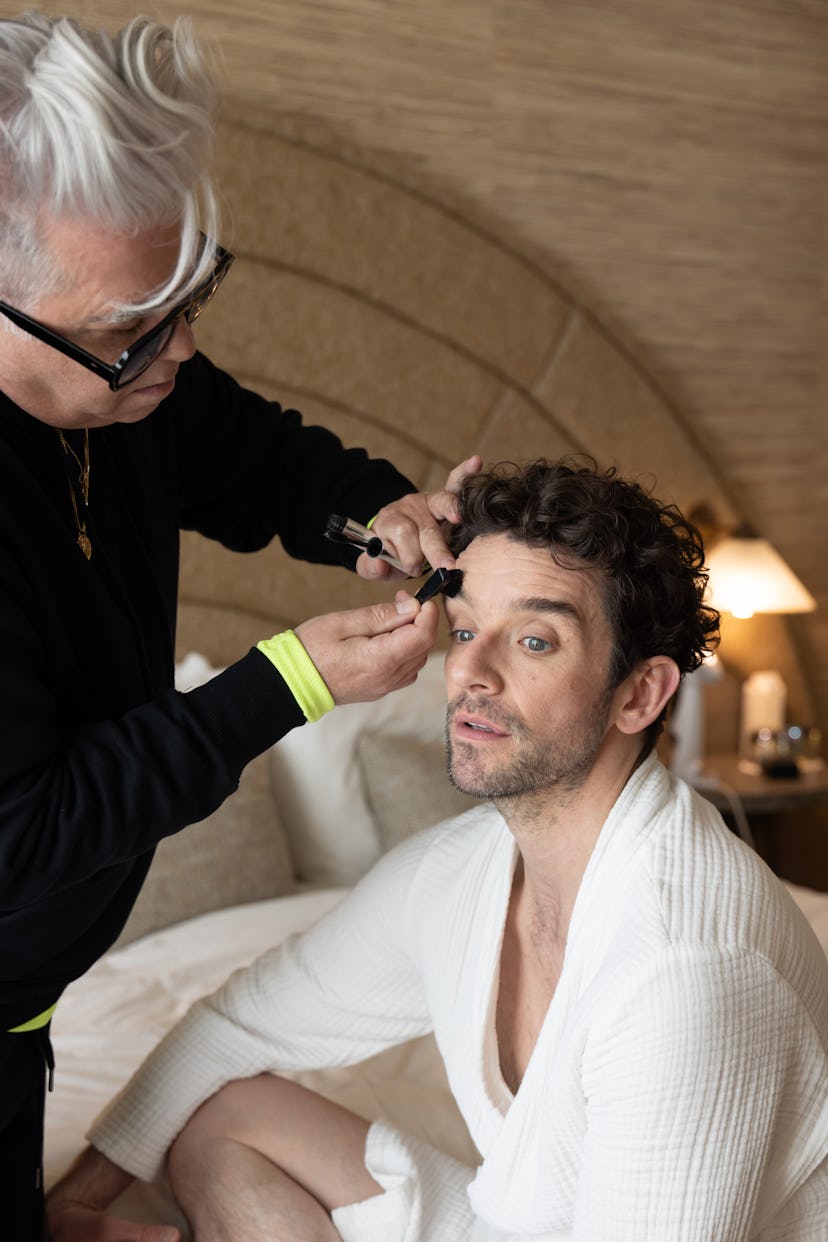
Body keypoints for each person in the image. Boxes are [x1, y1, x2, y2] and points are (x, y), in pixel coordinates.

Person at [47, 458, 828, 1241]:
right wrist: (71, 1205)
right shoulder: (461, 872)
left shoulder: (685, 969)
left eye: (534, 639)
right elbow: (234, 1028)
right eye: (462, 628)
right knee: (223, 1120)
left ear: (640, 694)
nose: (471, 672)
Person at [0, 11, 480, 1237]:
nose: (177, 351)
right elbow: (29, 834)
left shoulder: (132, 384)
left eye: (191, 294)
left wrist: (365, 507)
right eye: (129, 331)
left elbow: (253, 453)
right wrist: (287, 685)